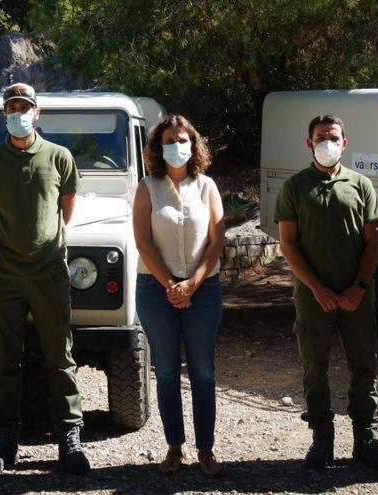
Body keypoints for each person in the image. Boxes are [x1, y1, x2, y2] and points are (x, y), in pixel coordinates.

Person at [0, 83, 90, 475]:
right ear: (3, 115)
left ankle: (68, 437)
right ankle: (5, 438)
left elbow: (64, 211)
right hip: (4, 275)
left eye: (25, 107)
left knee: (60, 357)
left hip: (49, 273)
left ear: (37, 113)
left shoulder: (59, 157)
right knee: (6, 359)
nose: (18, 113)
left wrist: (43, 247)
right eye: (11, 108)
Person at [274, 115, 378, 470]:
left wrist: (358, 287)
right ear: (309, 143)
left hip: (358, 296)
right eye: (319, 136)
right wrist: (318, 289)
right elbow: (288, 245)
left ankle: (366, 439)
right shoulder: (295, 187)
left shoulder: (361, 185)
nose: (327, 141)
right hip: (313, 298)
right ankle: (321, 441)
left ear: (345, 142)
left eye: (333, 136)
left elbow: (372, 244)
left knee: (364, 367)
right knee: (315, 368)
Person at [133, 114, 225, 476]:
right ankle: (174, 447)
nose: (176, 147)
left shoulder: (207, 187)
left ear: (193, 144)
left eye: (182, 140)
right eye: (169, 141)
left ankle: (206, 450)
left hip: (203, 291)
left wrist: (193, 283)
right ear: (159, 147)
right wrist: (171, 284)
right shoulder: (147, 187)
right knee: (167, 371)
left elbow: (217, 241)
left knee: (203, 372)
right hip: (156, 292)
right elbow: (142, 240)